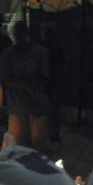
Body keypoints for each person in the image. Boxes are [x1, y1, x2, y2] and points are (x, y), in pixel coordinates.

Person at [0, 21, 51, 153]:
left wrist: (33, 85)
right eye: (17, 33)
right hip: (17, 106)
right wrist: (21, 84)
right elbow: (4, 77)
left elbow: (45, 76)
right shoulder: (8, 54)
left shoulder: (39, 52)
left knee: (38, 142)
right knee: (18, 143)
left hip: (36, 105)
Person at [40, 21, 65, 149]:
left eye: (46, 32)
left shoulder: (55, 49)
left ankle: (54, 138)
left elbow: (58, 69)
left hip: (52, 84)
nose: (44, 35)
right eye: (43, 32)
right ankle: (48, 138)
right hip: (44, 85)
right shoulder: (41, 48)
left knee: (53, 113)